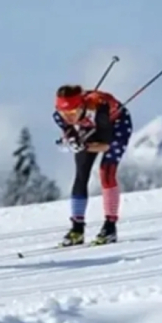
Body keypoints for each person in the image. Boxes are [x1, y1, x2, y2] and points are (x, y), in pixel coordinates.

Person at [53, 84, 132, 246]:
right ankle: (77, 228)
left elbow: (106, 145)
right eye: (63, 113)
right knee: (81, 174)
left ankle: (110, 227)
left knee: (106, 171)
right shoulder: (60, 116)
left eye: (72, 113)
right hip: (89, 125)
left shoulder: (100, 111)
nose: (68, 117)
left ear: (81, 106)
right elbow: (69, 130)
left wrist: (84, 146)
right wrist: (71, 139)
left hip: (116, 124)